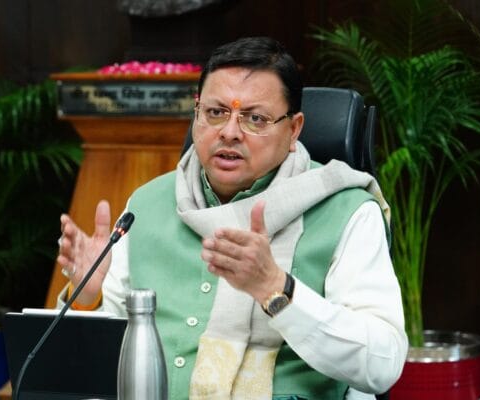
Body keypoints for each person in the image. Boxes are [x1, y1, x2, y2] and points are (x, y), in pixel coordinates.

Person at [57, 36, 408, 400]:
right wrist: (88, 298)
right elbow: (89, 362)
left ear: (294, 129)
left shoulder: (346, 211)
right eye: (216, 113)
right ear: (196, 114)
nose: (229, 132)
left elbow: (382, 365)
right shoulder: (146, 205)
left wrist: (276, 288)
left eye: (255, 118)